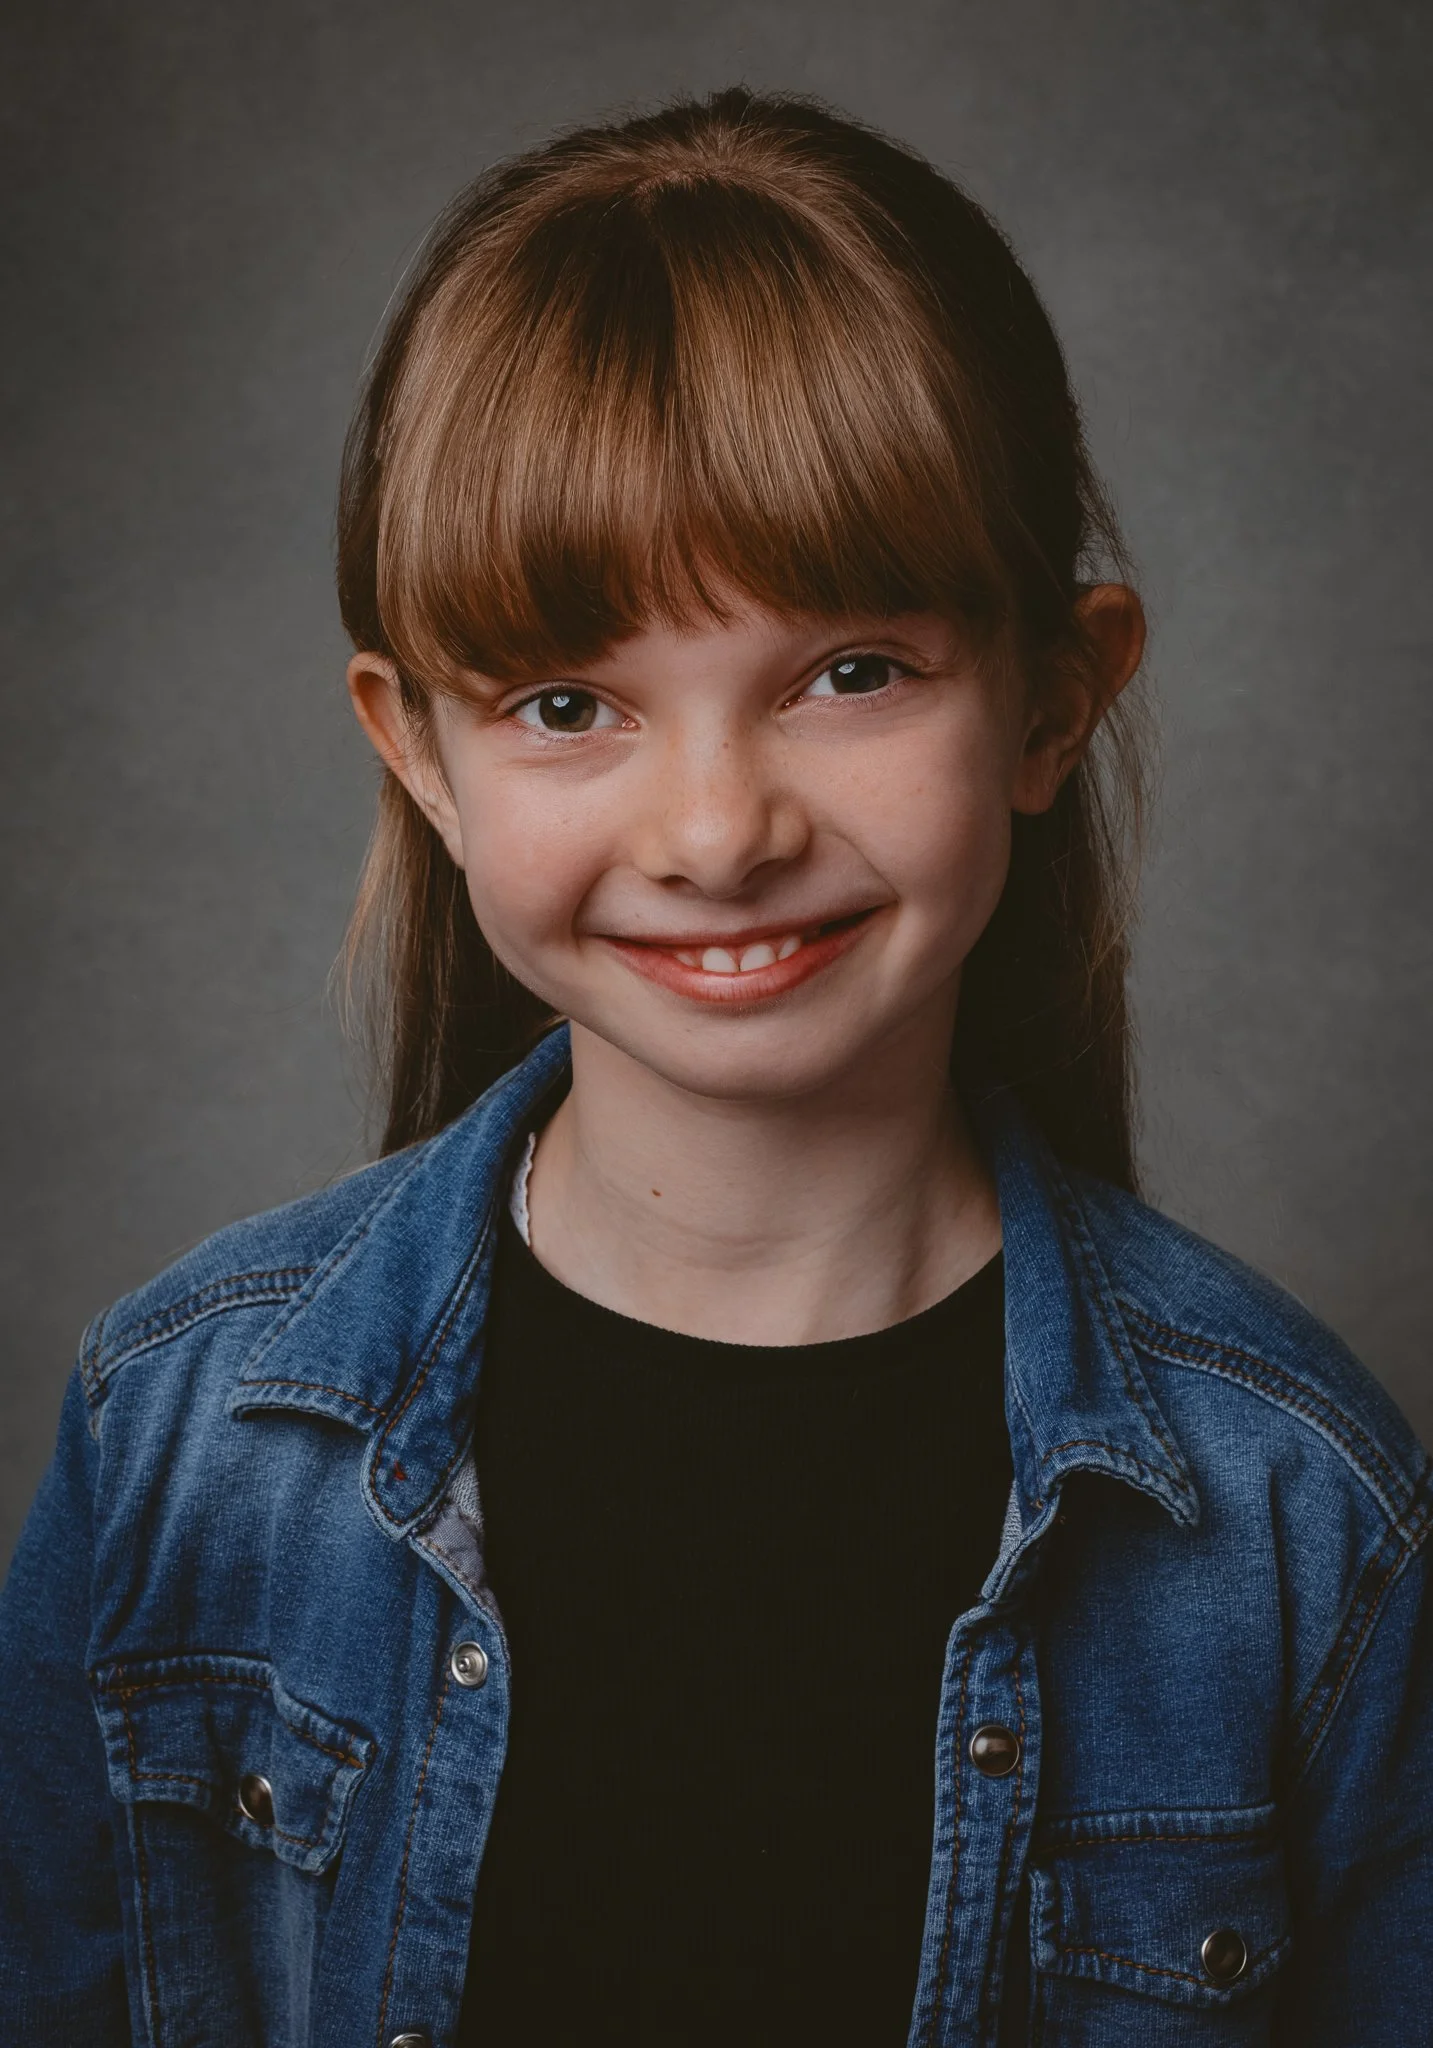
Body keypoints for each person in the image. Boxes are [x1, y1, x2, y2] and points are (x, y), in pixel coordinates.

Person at [0, 86, 1428, 2048]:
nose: (712, 827)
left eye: (848, 671)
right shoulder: (177, 1441)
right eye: (568, 701)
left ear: (1050, 692)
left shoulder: (1299, 1518)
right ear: (415, 753)